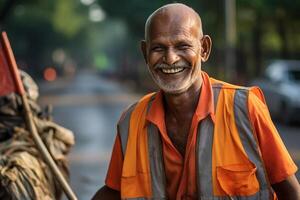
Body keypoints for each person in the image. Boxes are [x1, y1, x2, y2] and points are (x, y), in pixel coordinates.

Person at [92, 3, 300, 200]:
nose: (170, 58)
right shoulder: (132, 121)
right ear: (145, 53)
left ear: (204, 49)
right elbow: (113, 192)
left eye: (182, 46)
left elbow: (290, 192)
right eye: (158, 48)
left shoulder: (244, 108)